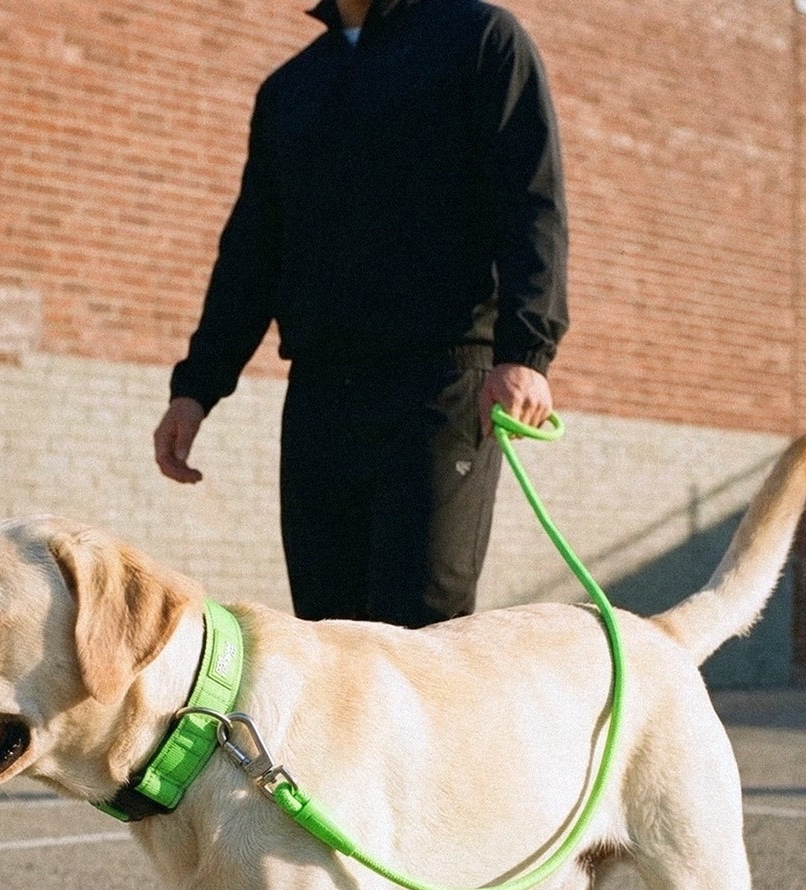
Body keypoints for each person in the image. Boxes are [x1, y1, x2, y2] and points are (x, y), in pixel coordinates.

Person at [153, 0, 568, 631]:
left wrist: (525, 352)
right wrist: (196, 389)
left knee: (420, 629)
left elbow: (532, 203)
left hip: (441, 385)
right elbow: (251, 254)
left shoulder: (479, 38)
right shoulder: (291, 88)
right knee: (327, 633)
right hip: (321, 393)